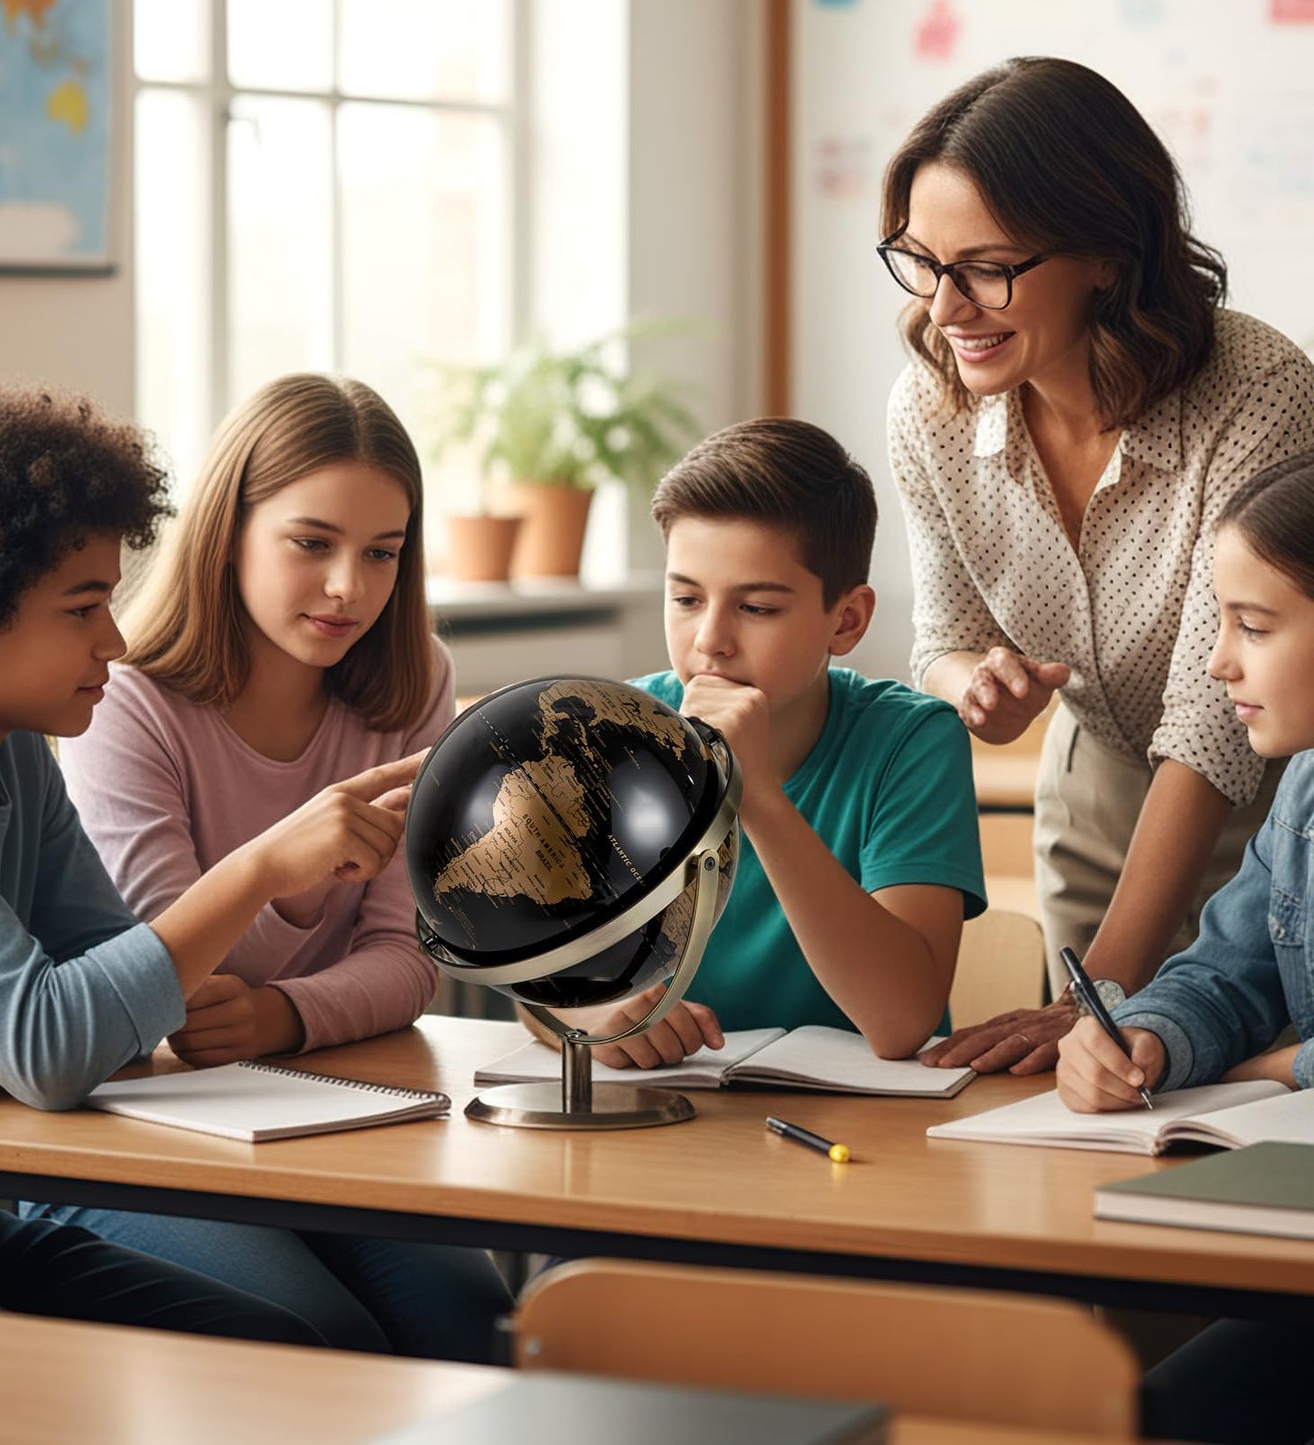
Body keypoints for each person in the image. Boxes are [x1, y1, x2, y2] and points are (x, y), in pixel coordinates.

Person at [0, 367, 422, 1345]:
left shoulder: (14, 753)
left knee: (312, 1345)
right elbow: (56, 1044)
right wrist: (261, 867)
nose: (116, 640)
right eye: (83, 608)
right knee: (293, 1366)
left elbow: (127, 1017)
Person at [21, 374, 512, 1363]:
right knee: (314, 1334)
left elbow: (407, 959)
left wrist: (283, 1015)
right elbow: (170, 993)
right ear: (227, 533)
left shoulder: (414, 684)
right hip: (138, 1121)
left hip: (324, 1100)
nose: (348, 588)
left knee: (473, 1321)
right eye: (311, 543)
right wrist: (283, 879)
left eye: (382, 553)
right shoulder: (125, 699)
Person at [881, 56, 1314, 1076]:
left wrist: (1101, 997)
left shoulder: (1255, 389)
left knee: (1234, 1088)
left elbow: (1209, 726)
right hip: (1095, 777)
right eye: (920, 262)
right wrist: (973, 684)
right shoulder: (929, 410)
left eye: (985, 267)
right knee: (1100, 1097)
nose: (944, 308)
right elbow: (940, 639)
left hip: (1271, 792)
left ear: (1106, 257)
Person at [533, 418, 986, 1067]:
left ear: (847, 619)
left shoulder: (911, 741)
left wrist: (758, 797)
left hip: (863, 1116)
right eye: (686, 599)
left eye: (757, 608)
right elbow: (534, 970)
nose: (710, 640)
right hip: (672, 1102)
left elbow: (902, 1021)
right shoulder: (610, 729)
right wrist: (588, 1013)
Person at [1057, 451, 1314, 1445]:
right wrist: (1148, 1036)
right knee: (1145, 1416)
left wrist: (1271, 1068)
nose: (1217, 662)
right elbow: (1225, 969)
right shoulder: (1301, 790)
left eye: (1252, 626)